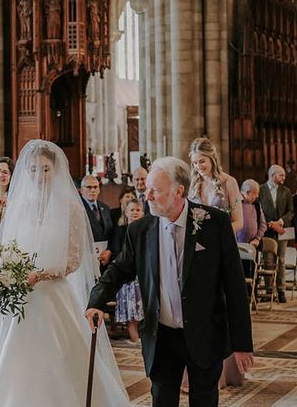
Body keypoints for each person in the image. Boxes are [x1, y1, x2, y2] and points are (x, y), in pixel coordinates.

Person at [0, 140, 130, 406]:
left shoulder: (70, 207)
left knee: (59, 356)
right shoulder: (18, 204)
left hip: (53, 293)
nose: (38, 175)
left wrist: (41, 275)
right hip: (21, 295)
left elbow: (74, 259)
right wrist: (6, 271)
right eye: (32, 169)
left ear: (55, 170)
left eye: (44, 169)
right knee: (16, 358)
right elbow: (6, 246)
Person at [86, 156, 253, 407]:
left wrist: (242, 343)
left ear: (178, 191)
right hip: (161, 336)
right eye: (147, 189)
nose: (148, 196)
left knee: (205, 402)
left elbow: (235, 285)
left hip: (204, 333)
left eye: (155, 190)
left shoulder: (214, 223)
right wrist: (96, 300)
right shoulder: (140, 230)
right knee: (162, 400)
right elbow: (119, 270)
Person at [189, 137, 243, 234]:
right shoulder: (193, 184)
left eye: (202, 161)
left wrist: (216, 235)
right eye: (195, 163)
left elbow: (239, 222)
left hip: (223, 241)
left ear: (212, 158)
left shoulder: (229, 182)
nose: (198, 166)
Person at [259, 164, 294, 303]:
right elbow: (259, 209)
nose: (284, 178)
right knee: (268, 260)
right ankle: (269, 291)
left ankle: (281, 290)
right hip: (267, 230)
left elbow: (291, 211)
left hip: (282, 230)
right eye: (281, 175)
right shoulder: (261, 190)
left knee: (281, 260)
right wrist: (270, 224)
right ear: (273, 175)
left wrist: (280, 221)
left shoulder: (286, 191)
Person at [112, 198, 144, 342]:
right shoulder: (121, 231)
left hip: (143, 274)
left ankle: (142, 341)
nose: (135, 212)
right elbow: (118, 252)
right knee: (132, 314)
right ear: (126, 212)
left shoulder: (147, 229)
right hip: (128, 276)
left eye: (138, 210)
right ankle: (136, 341)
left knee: (143, 311)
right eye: (132, 210)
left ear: (142, 212)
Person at [80, 175, 114, 269]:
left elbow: (111, 233)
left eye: (95, 187)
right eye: (89, 187)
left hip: (105, 259)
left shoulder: (105, 208)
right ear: (81, 190)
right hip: (86, 260)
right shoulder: (77, 208)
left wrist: (109, 251)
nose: (93, 190)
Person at [236, 179, 267, 278]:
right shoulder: (235, 203)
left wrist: (257, 238)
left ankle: (252, 292)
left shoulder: (256, 205)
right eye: (255, 193)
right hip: (237, 246)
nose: (257, 196)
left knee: (252, 274)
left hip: (252, 245)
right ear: (247, 192)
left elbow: (263, 224)